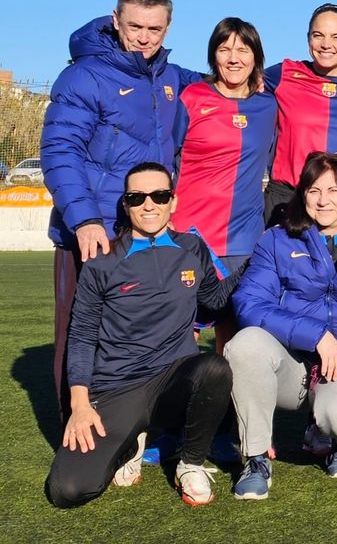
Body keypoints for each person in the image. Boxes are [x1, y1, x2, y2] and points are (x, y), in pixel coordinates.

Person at [41, 0, 200, 416]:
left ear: (168, 27)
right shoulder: (84, 76)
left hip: (147, 233)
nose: (145, 37)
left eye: (155, 28)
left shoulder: (170, 76)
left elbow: (228, 79)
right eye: (135, 26)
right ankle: (76, 436)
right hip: (94, 232)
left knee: (138, 334)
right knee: (81, 335)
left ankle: (132, 430)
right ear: (116, 21)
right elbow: (60, 150)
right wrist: (85, 219)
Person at [45, 162, 241, 508]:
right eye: (137, 198)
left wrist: (256, 264)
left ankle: (190, 463)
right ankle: (130, 442)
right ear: (126, 204)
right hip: (117, 388)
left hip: (172, 382)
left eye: (159, 195)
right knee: (68, 490)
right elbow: (82, 336)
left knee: (213, 368)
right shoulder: (102, 260)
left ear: (173, 202)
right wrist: (79, 404)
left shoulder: (192, 247)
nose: (149, 205)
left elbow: (213, 302)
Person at [225, 152, 337, 499]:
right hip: (292, 366)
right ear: (302, 194)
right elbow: (249, 303)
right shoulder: (277, 240)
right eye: (314, 190)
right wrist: (315, 336)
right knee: (245, 344)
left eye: (334, 189)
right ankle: (255, 458)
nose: (323, 200)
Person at [173, 17, 277, 328]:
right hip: (190, 235)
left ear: (256, 57)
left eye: (243, 50)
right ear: (212, 55)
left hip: (244, 239)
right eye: (224, 49)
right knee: (182, 332)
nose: (234, 58)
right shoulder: (192, 97)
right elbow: (167, 159)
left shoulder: (269, 106)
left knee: (236, 334)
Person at [262, 3, 337, 223]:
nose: (326, 44)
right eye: (318, 35)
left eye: (336, 37)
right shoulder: (285, 74)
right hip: (287, 199)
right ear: (308, 38)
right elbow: (238, 84)